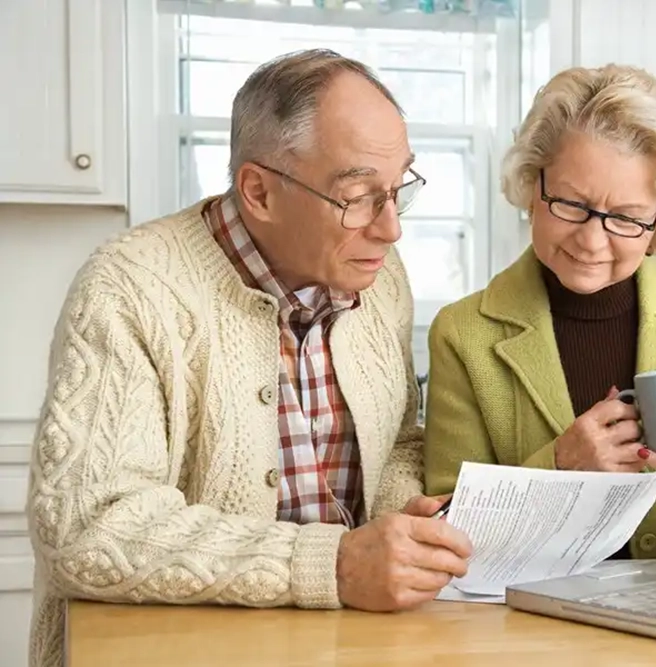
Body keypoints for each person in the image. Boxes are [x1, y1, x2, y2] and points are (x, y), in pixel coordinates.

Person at [26, 49, 471, 667]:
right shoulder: (127, 288)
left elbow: (396, 440)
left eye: (398, 189)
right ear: (259, 192)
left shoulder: (381, 276)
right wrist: (334, 565)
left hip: (348, 645)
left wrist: (402, 521)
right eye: (357, 196)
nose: (390, 229)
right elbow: (88, 530)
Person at [423, 64, 656, 563]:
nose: (592, 241)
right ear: (532, 187)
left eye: (626, 218)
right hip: (529, 610)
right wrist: (559, 467)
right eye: (571, 204)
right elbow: (444, 531)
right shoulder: (463, 334)